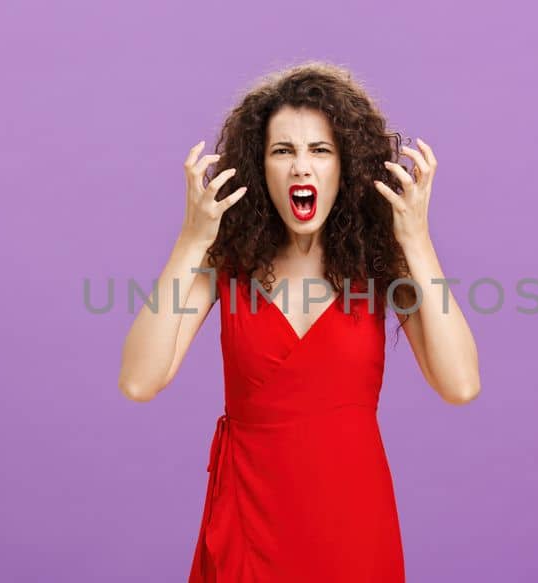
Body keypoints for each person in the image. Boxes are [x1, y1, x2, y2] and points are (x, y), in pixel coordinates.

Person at [116, 61, 481, 582]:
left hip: (354, 526)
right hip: (249, 520)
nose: (301, 168)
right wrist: (192, 239)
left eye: (320, 150)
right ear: (259, 167)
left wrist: (416, 242)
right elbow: (138, 380)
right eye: (282, 151)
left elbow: (460, 384)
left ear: (346, 166)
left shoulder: (382, 265)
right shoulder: (227, 261)